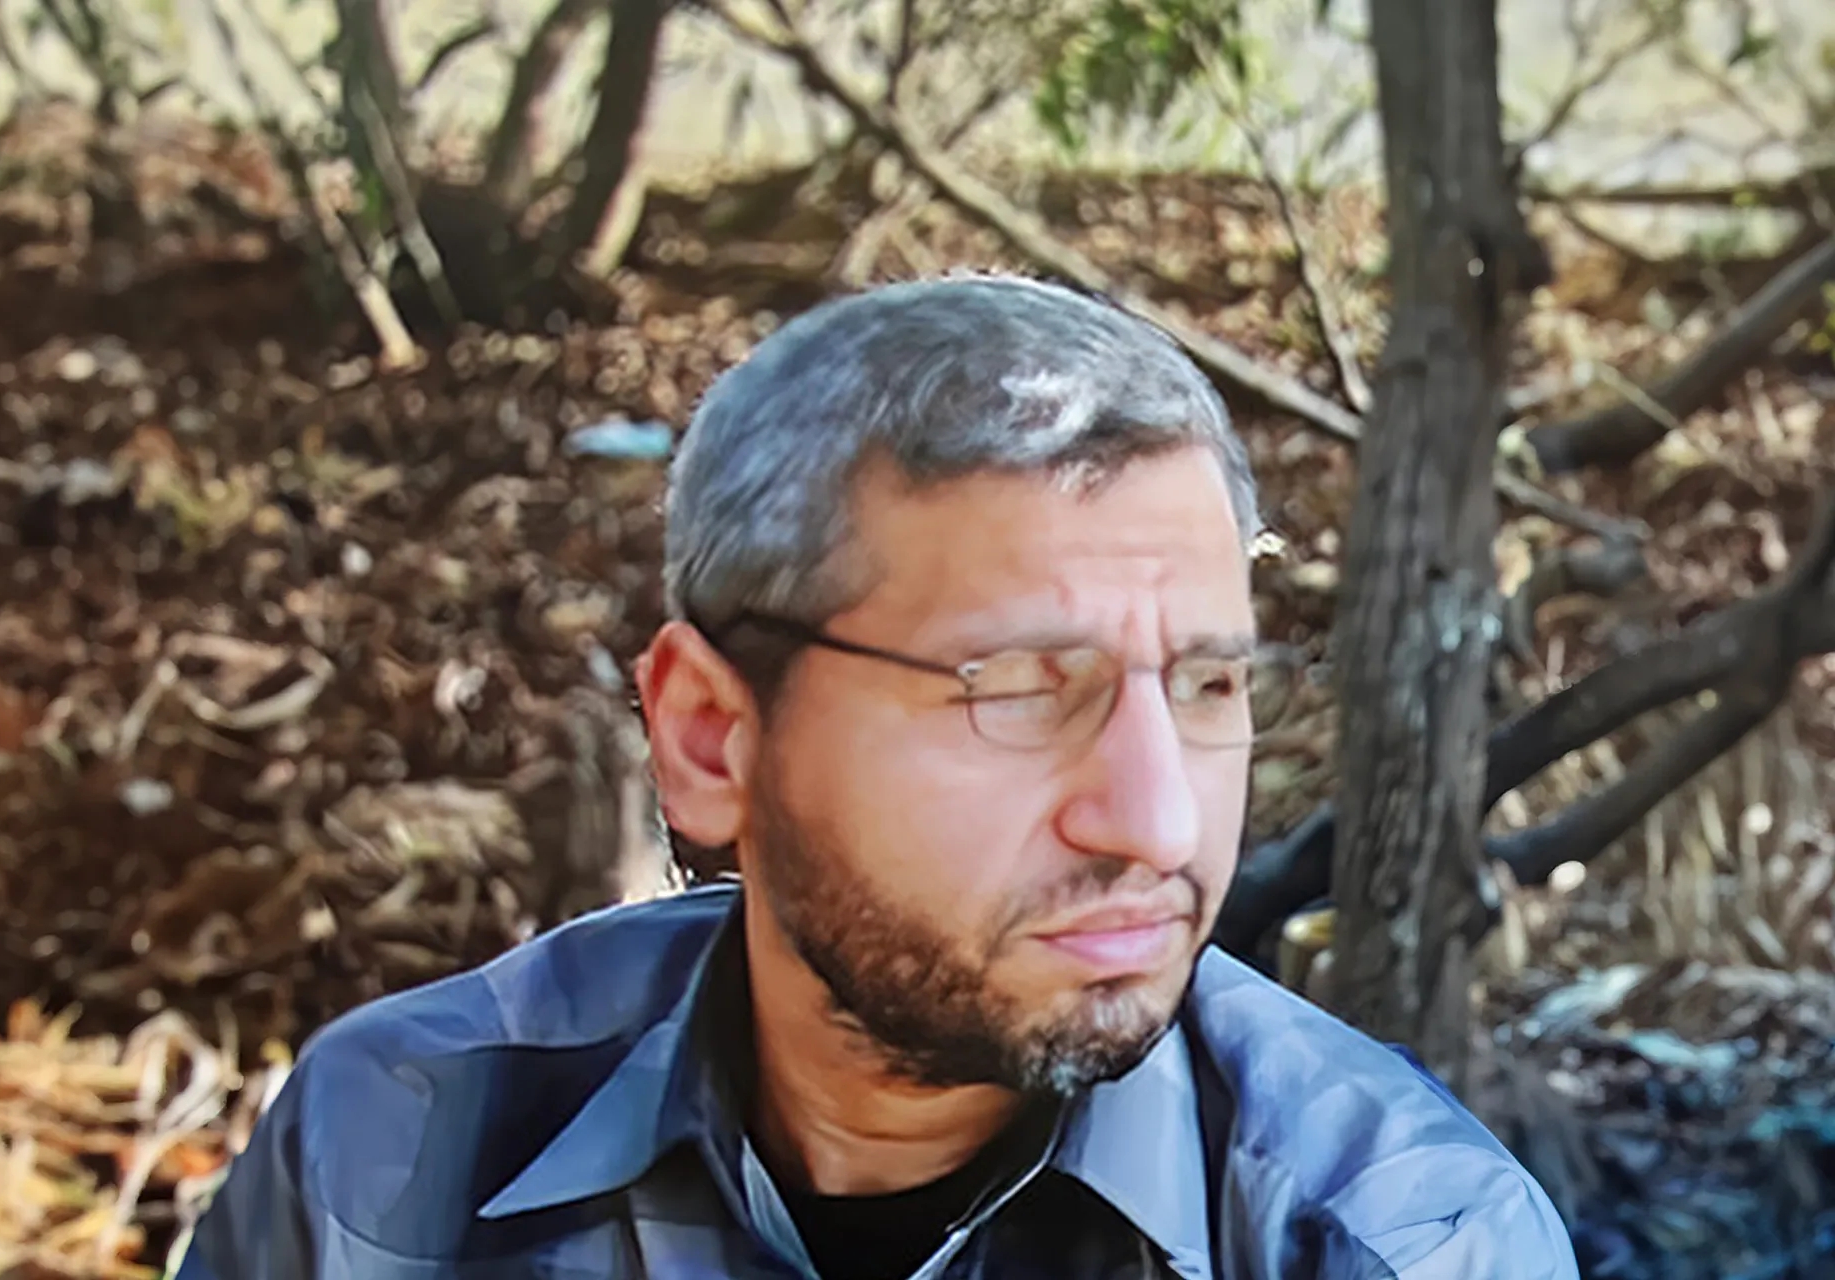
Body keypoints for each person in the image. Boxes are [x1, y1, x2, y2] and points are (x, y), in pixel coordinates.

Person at [176, 274, 1579, 1279]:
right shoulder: (393, 1158)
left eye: (1209, 687)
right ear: (713, 739)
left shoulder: (1399, 1242)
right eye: (1020, 692)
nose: (1156, 820)